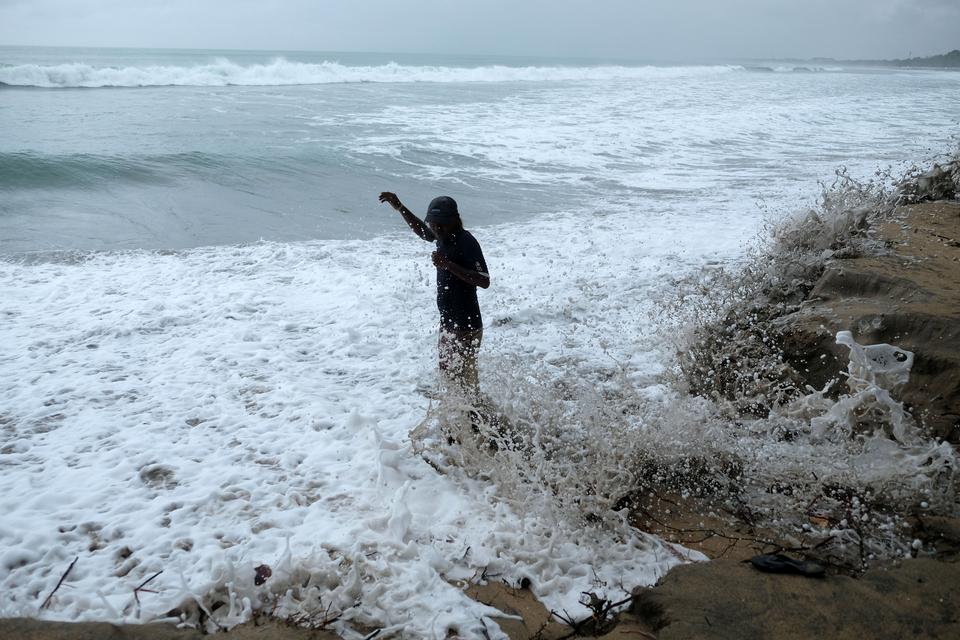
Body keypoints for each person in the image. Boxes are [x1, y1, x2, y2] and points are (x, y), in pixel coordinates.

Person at [379, 192, 489, 398]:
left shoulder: (467, 242)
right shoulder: (441, 236)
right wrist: (400, 207)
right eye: (434, 224)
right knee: (449, 378)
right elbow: (424, 232)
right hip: (448, 323)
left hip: (467, 326)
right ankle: (456, 424)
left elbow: (484, 280)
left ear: (455, 221)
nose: (436, 229)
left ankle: (478, 424)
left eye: (441, 225)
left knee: (466, 385)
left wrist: (448, 265)